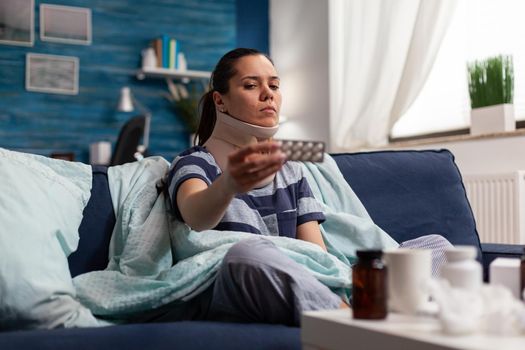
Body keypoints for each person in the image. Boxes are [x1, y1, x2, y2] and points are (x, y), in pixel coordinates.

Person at [164, 48, 344, 326]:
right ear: (220, 101)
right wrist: (229, 184)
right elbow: (195, 215)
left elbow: (316, 257)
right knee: (247, 254)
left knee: (432, 245)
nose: (268, 93)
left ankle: (350, 317)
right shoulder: (194, 163)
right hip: (232, 285)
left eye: (274, 85)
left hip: (292, 284)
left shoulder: (292, 172)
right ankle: (353, 325)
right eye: (250, 85)